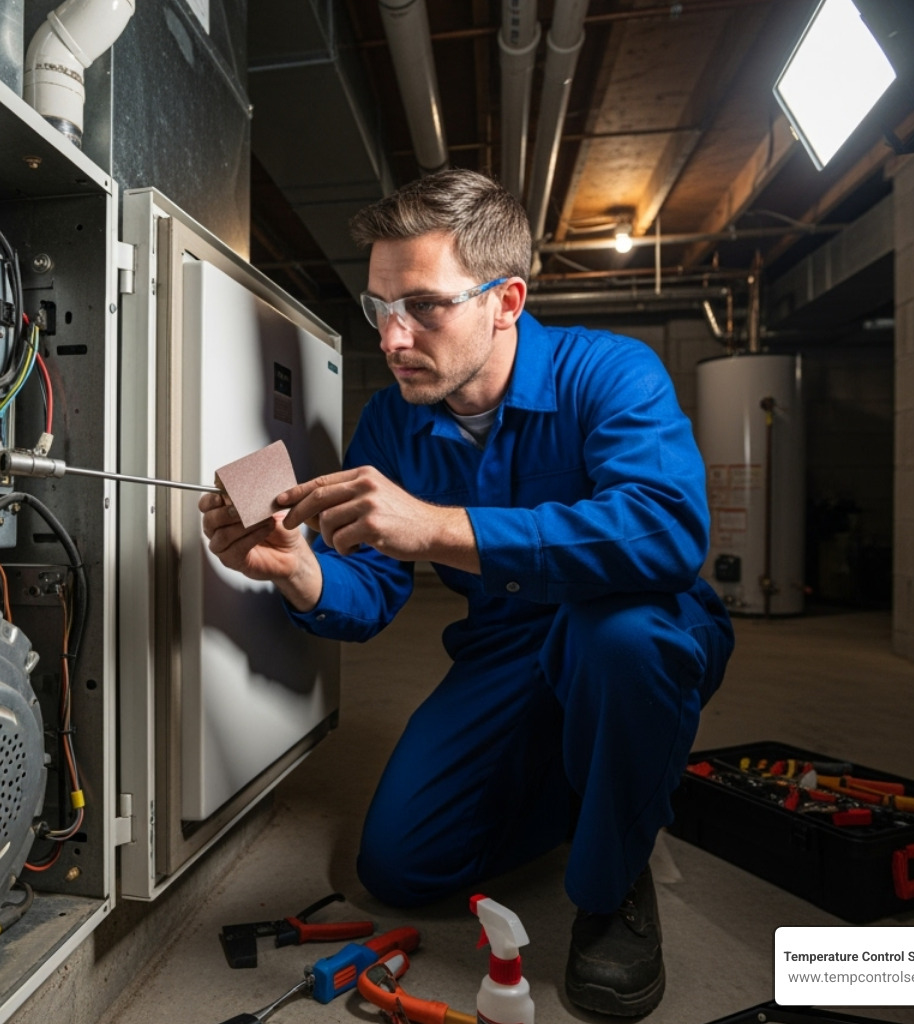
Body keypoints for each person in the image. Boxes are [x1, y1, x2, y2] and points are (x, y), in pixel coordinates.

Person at [198, 169, 734, 1017]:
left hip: (632, 624)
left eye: (424, 306)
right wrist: (298, 569)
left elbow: (667, 529)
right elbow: (371, 592)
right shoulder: (392, 424)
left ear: (506, 300)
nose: (393, 336)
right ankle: (610, 782)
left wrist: (442, 528)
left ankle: (614, 877)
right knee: (399, 868)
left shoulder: (611, 373)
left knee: (619, 643)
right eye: (379, 307)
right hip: (505, 650)